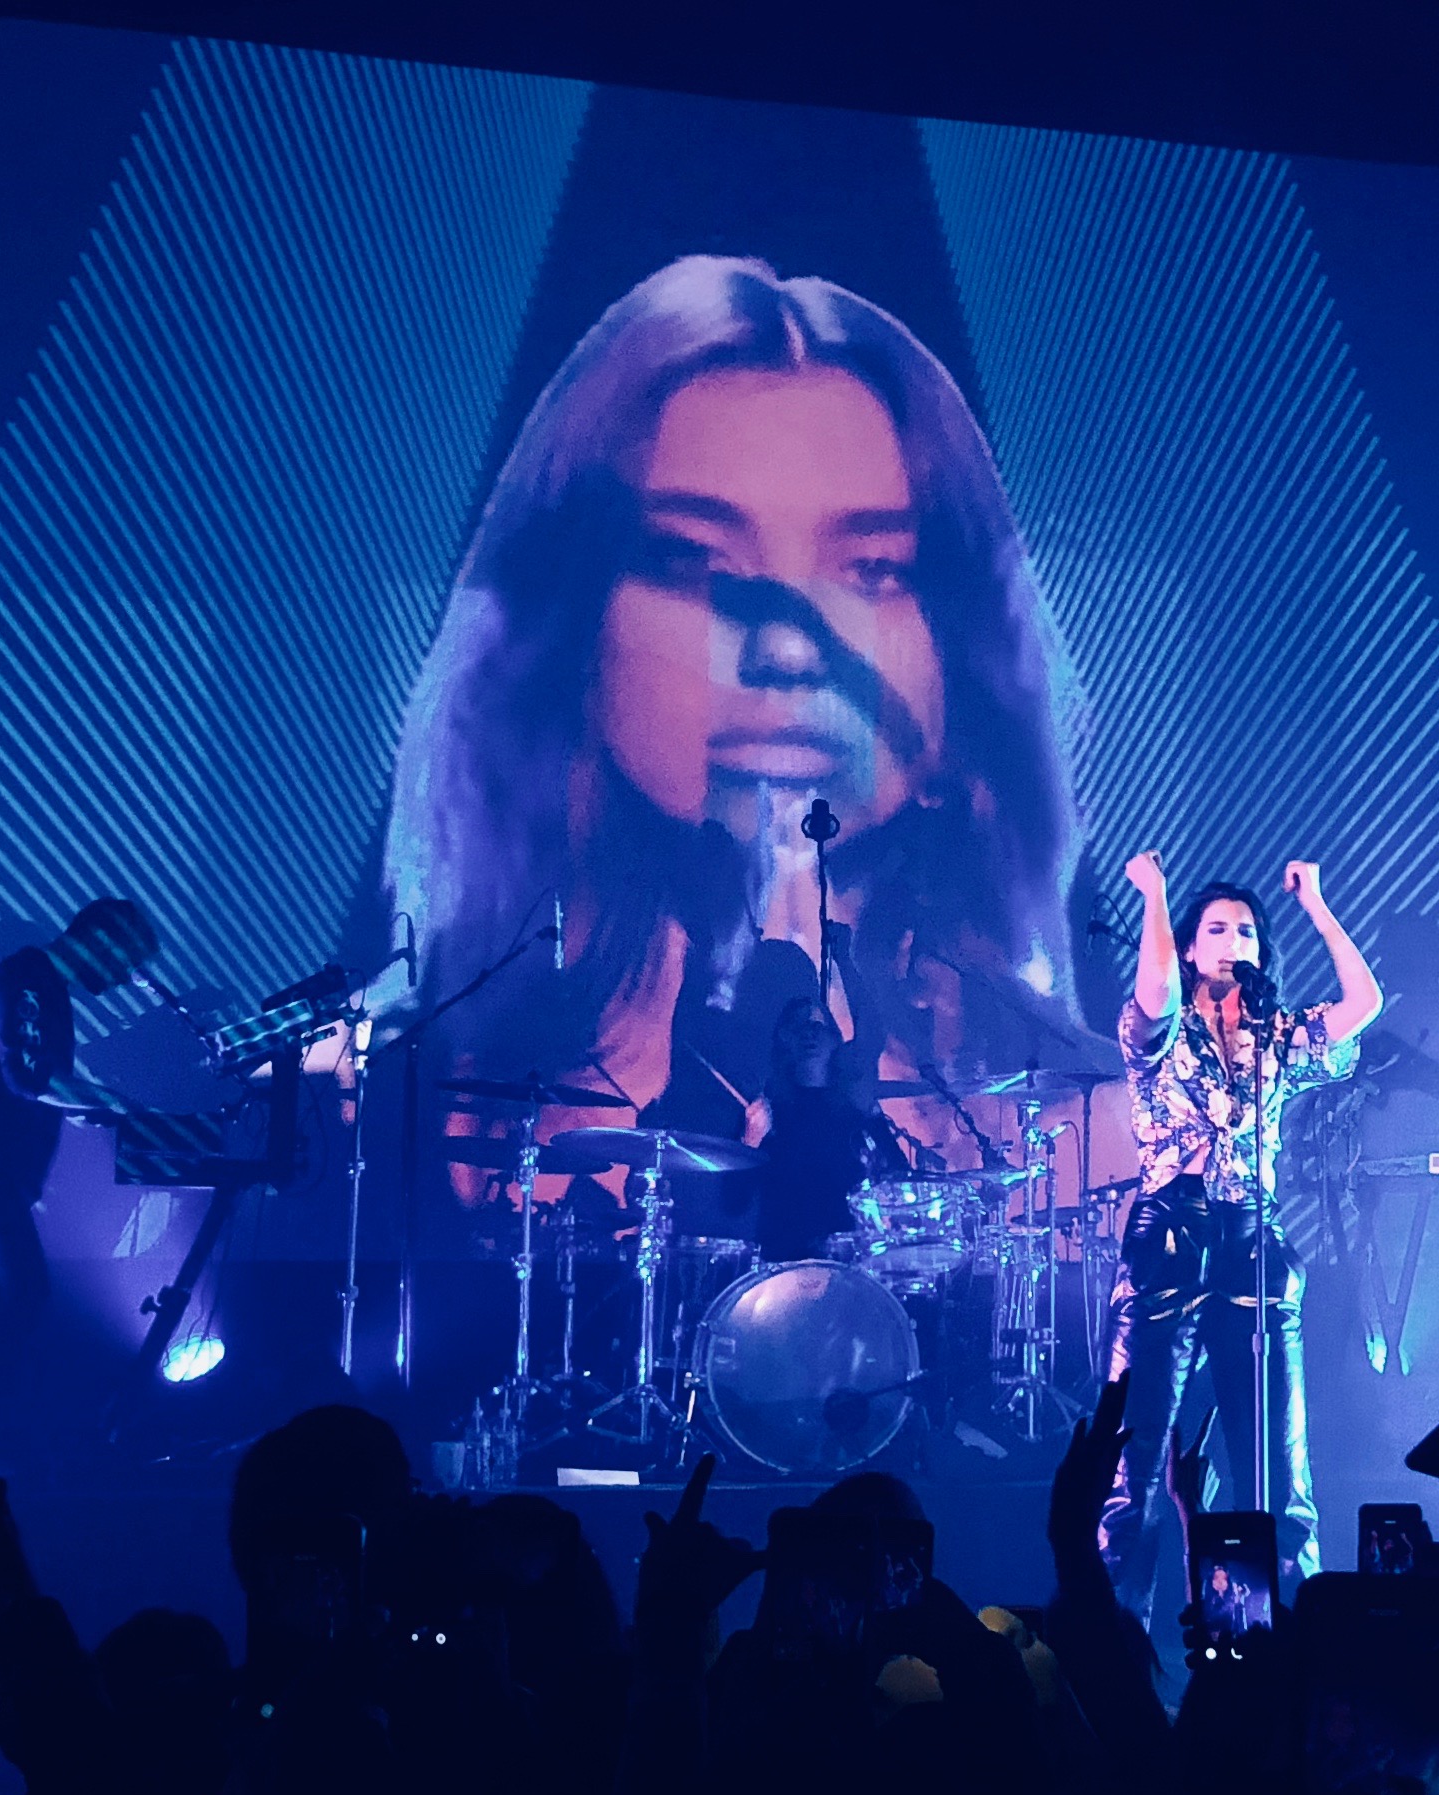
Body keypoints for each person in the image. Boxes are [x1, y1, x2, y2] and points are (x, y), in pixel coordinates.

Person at [383, 254, 1081, 1177]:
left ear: (960, 646)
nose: (786, 649)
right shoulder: (427, 1099)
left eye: (872, 570)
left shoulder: (1065, 1112)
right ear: (574, 622)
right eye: (695, 561)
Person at [1100, 851, 1381, 1612]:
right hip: (1169, 1239)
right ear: (1190, 948)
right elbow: (1156, 989)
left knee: (1277, 1466)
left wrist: (1314, 903)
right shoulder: (1157, 1029)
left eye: (1247, 932)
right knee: (1135, 1463)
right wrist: (1155, 896)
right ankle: (1114, 1636)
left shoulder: (1279, 1036)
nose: (1233, 943)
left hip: (1252, 1240)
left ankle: (1280, 1627)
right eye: (1217, 930)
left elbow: (1363, 1002)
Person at [0, 897, 159, 1420]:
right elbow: (30, 1078)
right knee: (27, 1294)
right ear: (100, 941)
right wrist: (120, 1108)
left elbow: (40, 1085)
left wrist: (110, 1114)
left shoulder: (45, 987)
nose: (126, 978)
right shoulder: (27, 979)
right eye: (126, 961)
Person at [753, 998, 905, 1262]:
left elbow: (900, 1175)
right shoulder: (765, 1113)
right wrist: (750, 1140)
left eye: (817, 1024)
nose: (809, 1032)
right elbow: (733, 1204)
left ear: (835, 1038)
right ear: (784, 1038)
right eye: (798, 1025)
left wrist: (873, 1115)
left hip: (849, 1257)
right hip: (782, 1259)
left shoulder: (854, 1111)